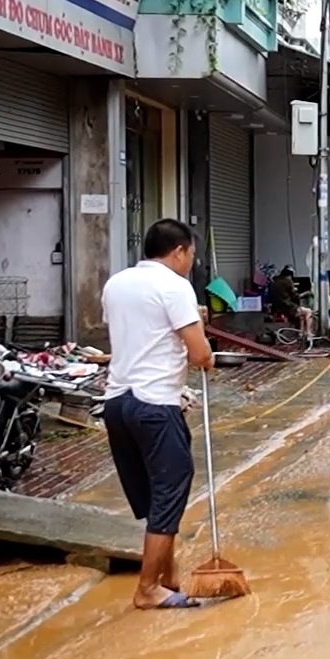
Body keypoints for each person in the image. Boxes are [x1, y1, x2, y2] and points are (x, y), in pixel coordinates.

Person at [101, 220, 215, 610]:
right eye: (191, 256)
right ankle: (148, 587)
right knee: (170, 489)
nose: (191, 263)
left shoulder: (117, 283)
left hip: (116, 401)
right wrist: (203, 343)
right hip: (155, 403)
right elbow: (201, 354)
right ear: (179, 251)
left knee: (153, 496)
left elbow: (140, 330)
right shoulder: (175, 286)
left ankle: (169, 578)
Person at [266, 267, 314, 339]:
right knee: (309, 312)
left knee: (301, 316)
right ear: (290, 275)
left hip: (276, 307)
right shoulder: (287, 282)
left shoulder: (274, 282)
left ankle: (301, 333)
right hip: (287, 307)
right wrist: (306, 293)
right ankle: (309, 333)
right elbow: (295, 297)